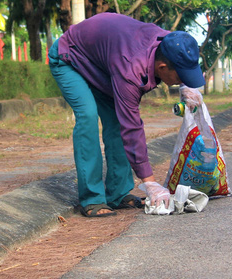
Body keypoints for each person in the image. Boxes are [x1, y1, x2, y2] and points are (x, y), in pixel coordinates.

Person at [48, 13, 205, 217]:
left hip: (102, 67)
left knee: (114, 121)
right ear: (162, 67)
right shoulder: (132, 68)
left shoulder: (171, 43)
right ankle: (92, 197)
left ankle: (118, 192)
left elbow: (180, 59)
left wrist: (186, 86)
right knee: (88, 115)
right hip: (70, 59)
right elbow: (132, 127)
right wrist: (150, 183)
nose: (181, 80)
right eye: (180, 77)